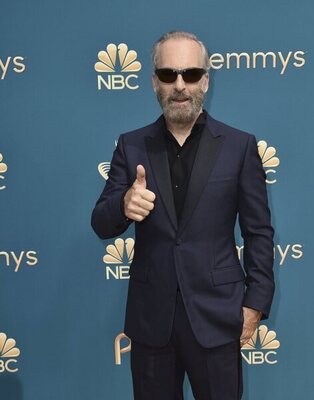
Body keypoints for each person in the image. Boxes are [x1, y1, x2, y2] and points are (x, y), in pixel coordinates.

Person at [91, 31, 275, 400]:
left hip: (217, 317)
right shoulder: (131, 145)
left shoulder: (239, 146)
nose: (180, 85)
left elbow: (258, 233)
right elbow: (101, 222)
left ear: (205, 79)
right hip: (151, 320)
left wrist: (255, 303)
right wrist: (123, 205)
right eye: (168, 74)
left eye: (190, 74)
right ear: (153, 81)